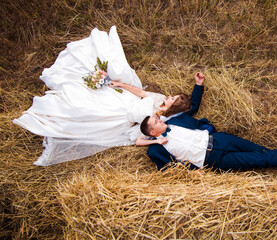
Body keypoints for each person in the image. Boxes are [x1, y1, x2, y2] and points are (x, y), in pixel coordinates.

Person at [12, 26, 203, 166]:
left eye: (172, 98)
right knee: (90, 93)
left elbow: (138, 137)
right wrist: (120, 84)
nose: (169, 96)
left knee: (83, 109)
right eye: (172, 95)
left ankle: (55, 113)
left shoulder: (163, 120)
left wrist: (155, 140)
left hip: (119, 116)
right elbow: (141, 93)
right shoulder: (158, 98)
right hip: (123, 100)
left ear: (174, 106)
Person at [139, 114, 277, 173]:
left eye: (157, 118)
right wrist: (193, 173)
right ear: (152, 132)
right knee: (257, 160)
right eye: (156, 122)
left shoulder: (176, 120)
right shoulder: (155, 148)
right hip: (214, 160)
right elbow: (170, 168)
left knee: (261, 152)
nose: (159, 120)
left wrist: (199, 85)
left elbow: (192, 106)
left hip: (220, 139)